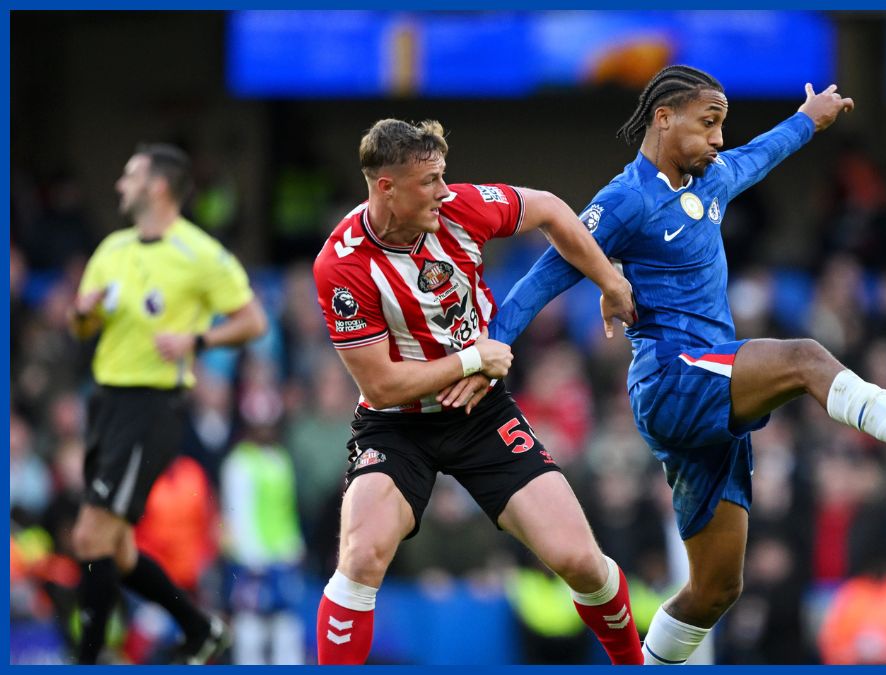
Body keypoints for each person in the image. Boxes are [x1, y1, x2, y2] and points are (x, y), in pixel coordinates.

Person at [453, 64, 886, 664]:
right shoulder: (625, 201)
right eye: (708, 124)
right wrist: (487, 351)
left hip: (708, 394)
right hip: (673, 378)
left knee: (716, 590)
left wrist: (808, 120)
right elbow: (544, 275)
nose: (719, 139)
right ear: (663, 118)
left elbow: (758, 154)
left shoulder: (711, 180)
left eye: (721, 125)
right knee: (804, 358)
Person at [310, 118, 643, 665]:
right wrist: (472, 358)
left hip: (480, 414)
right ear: (384, 186)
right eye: (429, 182)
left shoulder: (461, 208)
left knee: (580, 560)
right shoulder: (340, 265)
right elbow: (381, 384)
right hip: (397, 426)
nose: (444, 191)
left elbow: (554, 210)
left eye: (444, 177)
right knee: (361, 554)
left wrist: (608, 279)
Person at [68, 143, 268, 664]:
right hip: (105, 402)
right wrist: (82, 313)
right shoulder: (112, 248)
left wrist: (195, 341)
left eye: (129, 175)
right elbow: (80, 326)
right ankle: (201, 630)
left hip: (150, 406)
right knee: (117, 549)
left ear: (158, 186)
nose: (119, 185)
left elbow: (253, 321)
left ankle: (86, 659)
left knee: (91, 535)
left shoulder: (198, 253)